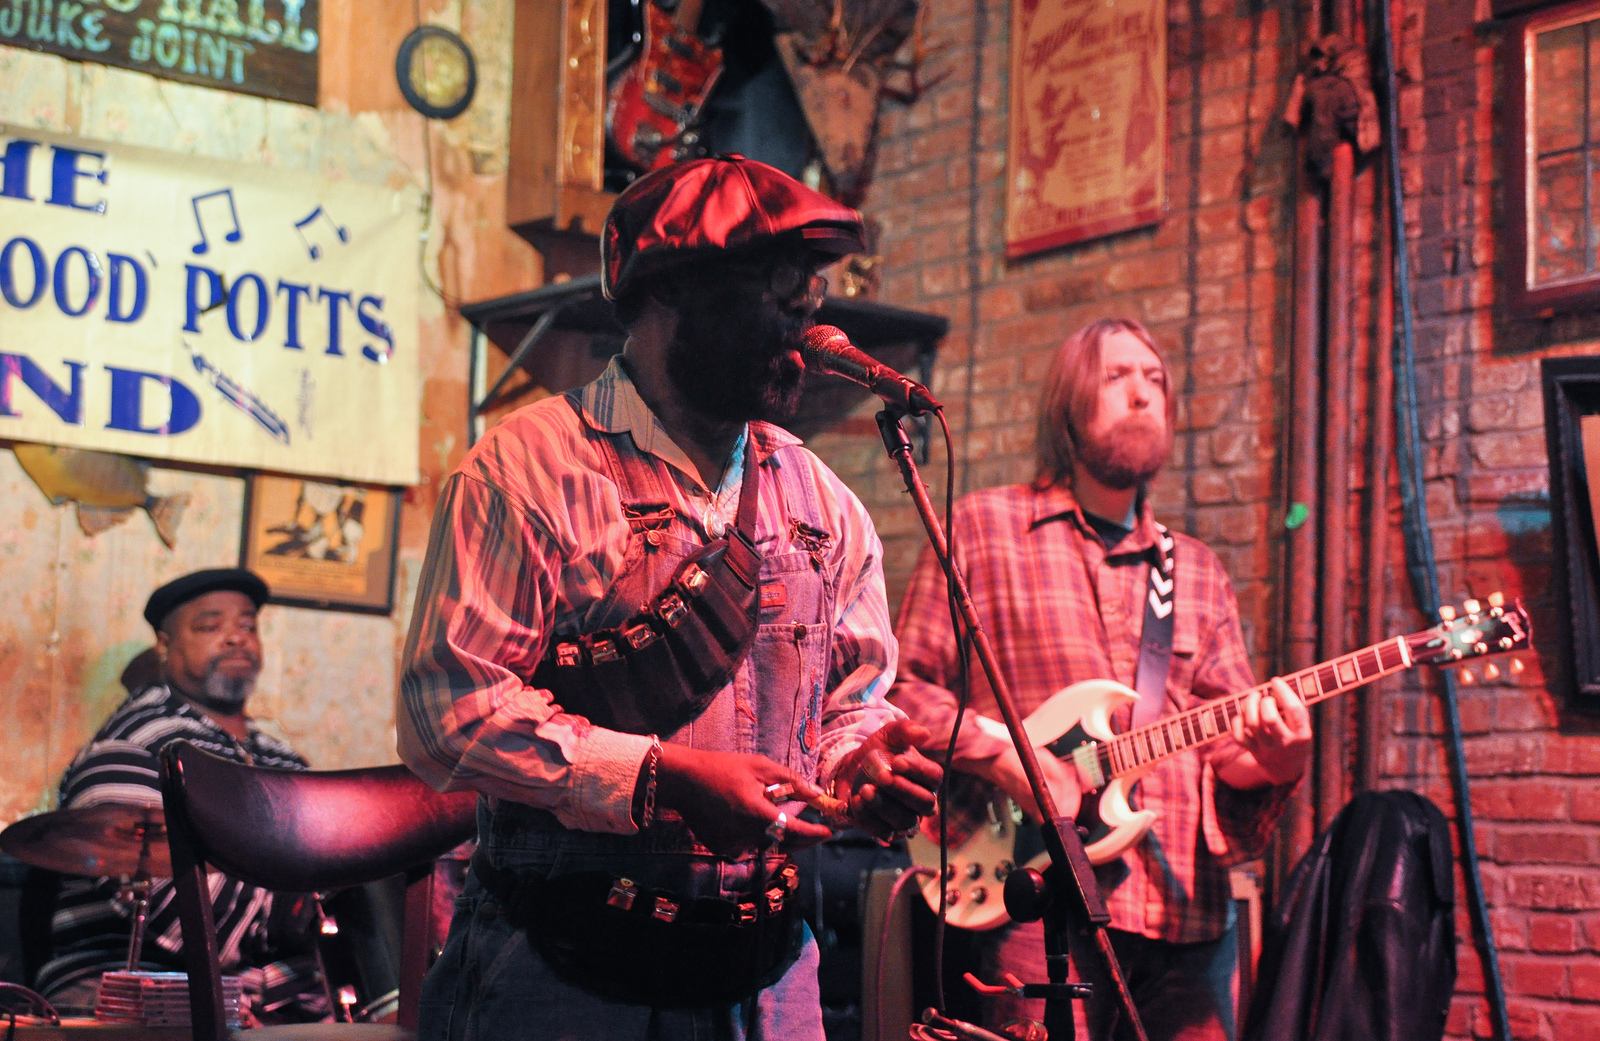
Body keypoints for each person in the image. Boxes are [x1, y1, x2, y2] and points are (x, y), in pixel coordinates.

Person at [397, 153, 943, 1041]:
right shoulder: (528, 471)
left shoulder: (825, 504)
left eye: (811, 292)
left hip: (768, 984)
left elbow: (848, 707)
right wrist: (660, 777)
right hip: (560, 980)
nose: (808, 319)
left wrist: (862, 765)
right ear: (669, 293)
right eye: (776, 289)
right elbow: (445, 713)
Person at [889, 318, 1313, 1041]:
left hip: (1185, 917)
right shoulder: (984, 531)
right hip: (1034, 904)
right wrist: (1008, 755)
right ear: (1068, 403)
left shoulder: (1199, 573)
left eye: (1156, 381)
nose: (1144, 395)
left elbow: (1227, 753)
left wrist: (1280, 759)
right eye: (1118, 377)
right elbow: (903, 694)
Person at [36, 567, 327, 1023]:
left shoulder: (283, 759)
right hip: (131, 988)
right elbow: (161, 902)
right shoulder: (135, 741)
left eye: (247, 625)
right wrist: (293, 907)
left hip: (274, 996)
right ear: (165, 646)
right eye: (209, 626)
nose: (234, 638)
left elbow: (328, 874)